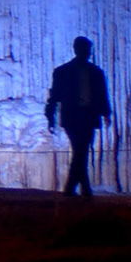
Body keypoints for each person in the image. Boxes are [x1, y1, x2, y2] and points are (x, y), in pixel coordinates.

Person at [46, 36, 111, 198]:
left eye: (88, 51)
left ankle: (76, 189)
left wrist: (106, 113)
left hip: (88, 116)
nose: (87, 53)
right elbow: (55, 96)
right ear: (77, 50)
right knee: (80, 150)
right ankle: (79, 190)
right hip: (72, 117)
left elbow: (102, 95)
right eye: (85, 50)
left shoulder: (96, 72)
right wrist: (50, 116)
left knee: (80, 151)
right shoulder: (62, 72)